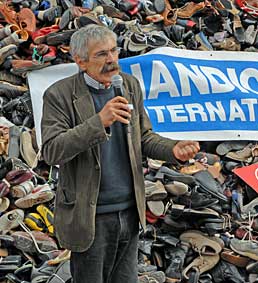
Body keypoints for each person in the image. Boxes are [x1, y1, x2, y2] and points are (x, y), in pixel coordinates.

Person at [41, 24, 200, 283]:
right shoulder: (59, 95)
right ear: (80, 61)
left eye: (114, 50)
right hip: (90, 216)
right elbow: (52, 151)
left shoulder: (128, 85)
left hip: (129, 211)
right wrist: (98, 122)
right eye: (101, 54)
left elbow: (144, 137)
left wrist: (173, 150)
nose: (112, 59)